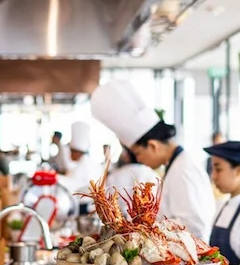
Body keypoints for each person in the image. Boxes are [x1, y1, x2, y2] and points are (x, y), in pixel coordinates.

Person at [91, 81, 215, 241]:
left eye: (138, 153)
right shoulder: (175, 165)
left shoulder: (183, 170)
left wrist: (148, 227)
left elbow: (195, 226)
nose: (140, 160)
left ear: (153, 146)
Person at [104, 146, 160, 214]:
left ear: (127, 156)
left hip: (117, 218)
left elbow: (107, 200)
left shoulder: (113, 175)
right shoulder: (152, 174)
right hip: (147, 220)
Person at [57, 121, 102, 194]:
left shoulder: (85, 165)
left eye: (71, 151)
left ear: (77, 152)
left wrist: (54, 177)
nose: (69, 155)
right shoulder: (85, 162)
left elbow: (72, 185)